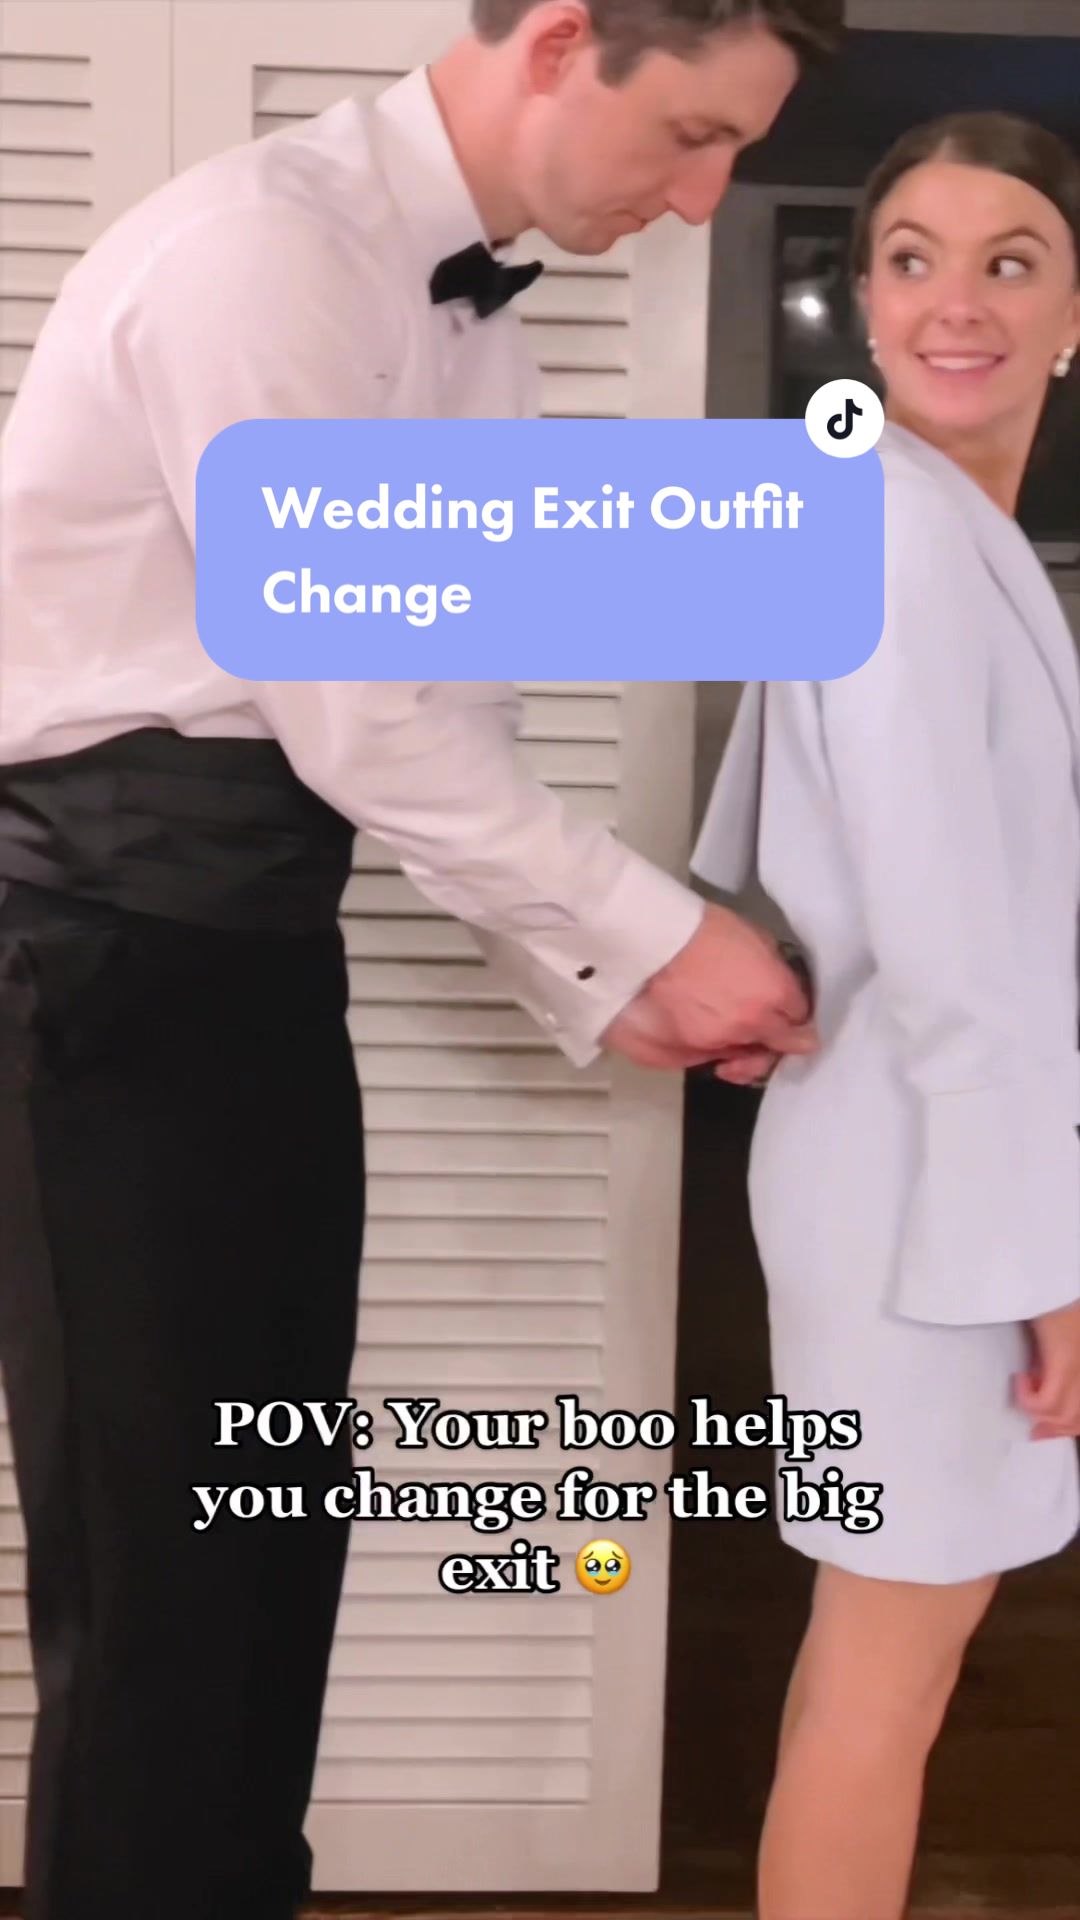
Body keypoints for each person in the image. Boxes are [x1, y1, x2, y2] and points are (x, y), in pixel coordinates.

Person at [0, 3, 838, 1915]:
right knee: (156, 1575)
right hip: (97, 966)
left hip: (253, 964)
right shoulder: (261, 254)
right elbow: (361, 716)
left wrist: (614, 984)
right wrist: (663, 936)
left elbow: (443, 715)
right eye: (693, 134)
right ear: (562, 41)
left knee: (270, 1525)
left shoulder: (478, 328)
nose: (702, 199)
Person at [693, 110, 1080, 1920]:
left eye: (1011, 262)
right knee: (886, 1678)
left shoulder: (907, 523)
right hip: (931, 1199)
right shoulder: (905, 540)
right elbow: (949, 944)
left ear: (1075, 310)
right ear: (863, 300)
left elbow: (777, 830)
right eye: (913, 261)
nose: (955, 305)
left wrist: (776, 954)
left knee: (881, 1664)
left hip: (905, 1158)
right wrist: (1044, 1258)